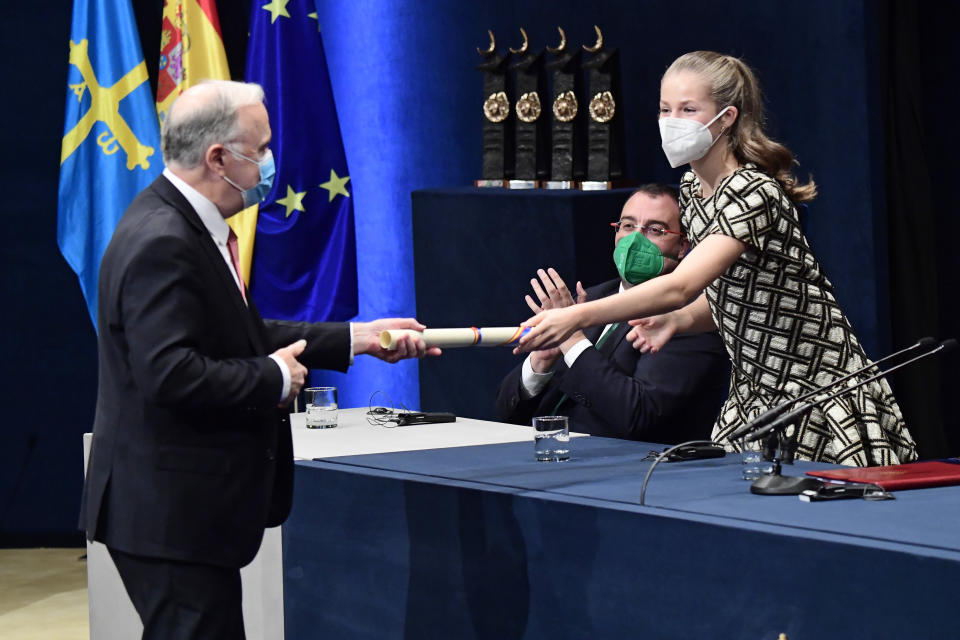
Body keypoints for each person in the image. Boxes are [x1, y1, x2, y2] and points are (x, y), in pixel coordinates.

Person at [80, 80, 440, 639]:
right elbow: (169, 372)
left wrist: (357, 338)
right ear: (218, 158)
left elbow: (236, 331)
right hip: (169, 518)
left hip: (180, 517)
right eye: (261, 149)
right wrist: (273, 377)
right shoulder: (163, 240)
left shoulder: (181, 224)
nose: (271, 163)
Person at [515, 51, 917, 467]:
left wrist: (576, 318)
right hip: (754, 394)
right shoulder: (691, 189)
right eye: (665, 108)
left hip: (812, 387)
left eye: (688, 109)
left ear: (726, 118)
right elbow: (734, 293)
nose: (672, 120)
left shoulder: (751, 190)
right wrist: (680, 321)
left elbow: (682, 285)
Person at [496, 184, 729, 443]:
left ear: (683, 246)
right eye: (628, 226)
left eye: (655, 230)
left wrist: (572, 340)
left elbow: (637, 417)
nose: (635, 240)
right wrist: (540, 364)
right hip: (550, 458)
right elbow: (506, 413)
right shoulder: (593, 298)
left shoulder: (689, 318)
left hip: (636, 472)